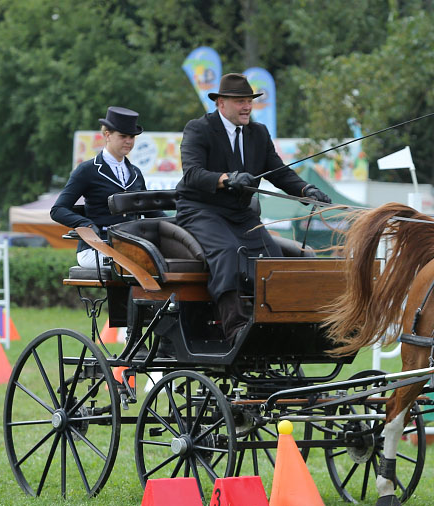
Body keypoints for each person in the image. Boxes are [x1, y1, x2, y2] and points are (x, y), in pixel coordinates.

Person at [175, 73, 332, 344]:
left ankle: (278, 326)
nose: (247, 106)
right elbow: (193, 173)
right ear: (221, 103)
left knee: (271, 259)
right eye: (240, 101)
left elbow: (279, 172)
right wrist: (227, 179)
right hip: (201, 210)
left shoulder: (257, 133)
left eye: (249, 100)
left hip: (241, 214)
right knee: (226, 252)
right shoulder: (199, 129)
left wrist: (306, 191)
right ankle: (235, 329)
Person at [51, 107, 162, 267]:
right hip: (95, 247)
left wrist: (177, 225)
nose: (129, 141)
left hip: (131, 246)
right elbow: (58, 210)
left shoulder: (136, 173)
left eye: (132, 136)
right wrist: (86, 224)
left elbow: (150, 210)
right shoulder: (87, 170)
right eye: (123, 136)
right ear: (107, 135)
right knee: (137, 264)